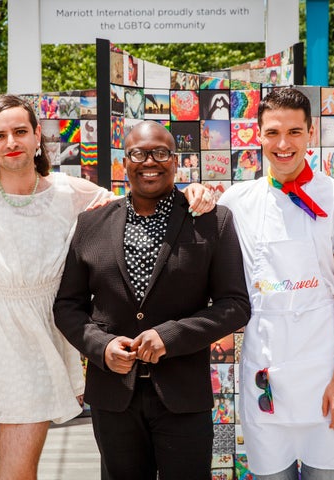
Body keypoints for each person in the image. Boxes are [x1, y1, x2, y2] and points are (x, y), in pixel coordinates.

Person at [0, 95, 214, 480]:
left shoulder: (71, 192)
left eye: (20, 131)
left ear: (38, 136)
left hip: (38, 338)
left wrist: (189, 191)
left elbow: (137, 202)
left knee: (20, 472)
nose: (11, 142)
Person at [53, 120, 250, 480]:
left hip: (183, 395)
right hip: (114, 397)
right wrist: (102, 345)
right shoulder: (89, 225)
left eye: (161, 153)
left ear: (175, 161)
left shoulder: (211, 221)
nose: (150, 161)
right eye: (139, 153)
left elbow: (235, 305)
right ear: (123, 163)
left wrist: (170, 336)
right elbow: (67, 307)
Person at [218, 88, 334, 479]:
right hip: (265, 374)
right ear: (257, 135)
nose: (283, 144)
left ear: (311, 133)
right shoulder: (237, 200)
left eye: (294, 132)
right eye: (272, 133)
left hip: (325, 374)